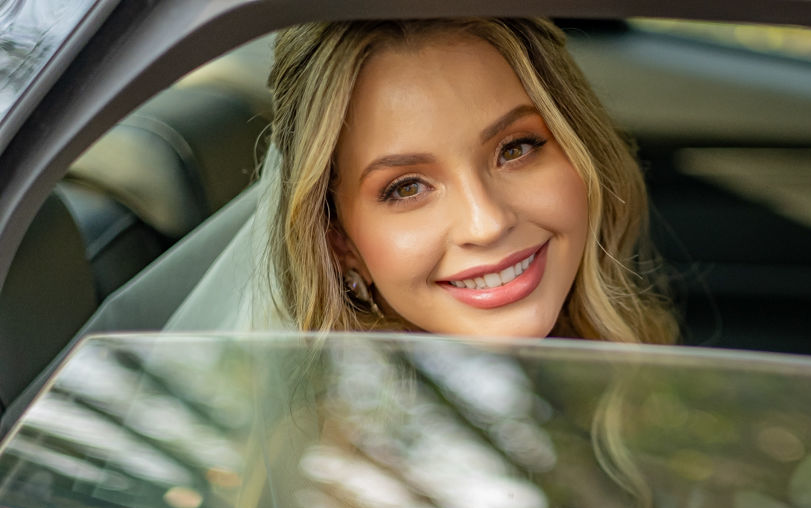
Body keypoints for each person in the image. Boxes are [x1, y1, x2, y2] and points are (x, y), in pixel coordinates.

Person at [169, 18, 676, 344]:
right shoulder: (362, 483)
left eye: (515, 149)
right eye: (406, 187)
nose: (487, 222)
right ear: (338, 241)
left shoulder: (610, 354)